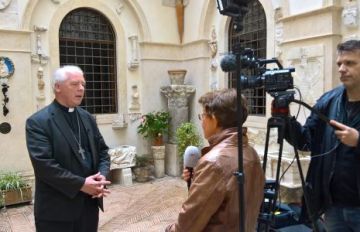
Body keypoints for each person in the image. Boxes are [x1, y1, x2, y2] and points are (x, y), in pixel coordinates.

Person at [286, 40, 360, 231]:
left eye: (350, 63)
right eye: (339, 64)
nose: (342, 69)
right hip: (334, 206)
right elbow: (306, 142)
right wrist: (285, 120)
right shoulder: (329, 101)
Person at [26, 65, 111, 232]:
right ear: (57, 87)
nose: (81, 88)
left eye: (83, 84)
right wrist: (81, 184)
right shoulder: (38, 122)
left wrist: (101, 176)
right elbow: (44, 166)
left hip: (89, 207)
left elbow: (103, 152)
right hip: (56, 212)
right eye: (74, 84)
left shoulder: (87, 118)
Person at [166, 88, 265, 232]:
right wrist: (197, 180)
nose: (202, 122)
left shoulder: (213, 163)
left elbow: (187, 226)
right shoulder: (251, 153)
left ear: (214, 118)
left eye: (203, 116)